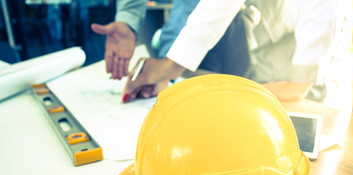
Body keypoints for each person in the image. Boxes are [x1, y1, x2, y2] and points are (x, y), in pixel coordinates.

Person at [91, 0, 337, 103]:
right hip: (204, 25)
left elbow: (322, 8)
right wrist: (171, 66)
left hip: (303, 35)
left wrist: (304, 75)